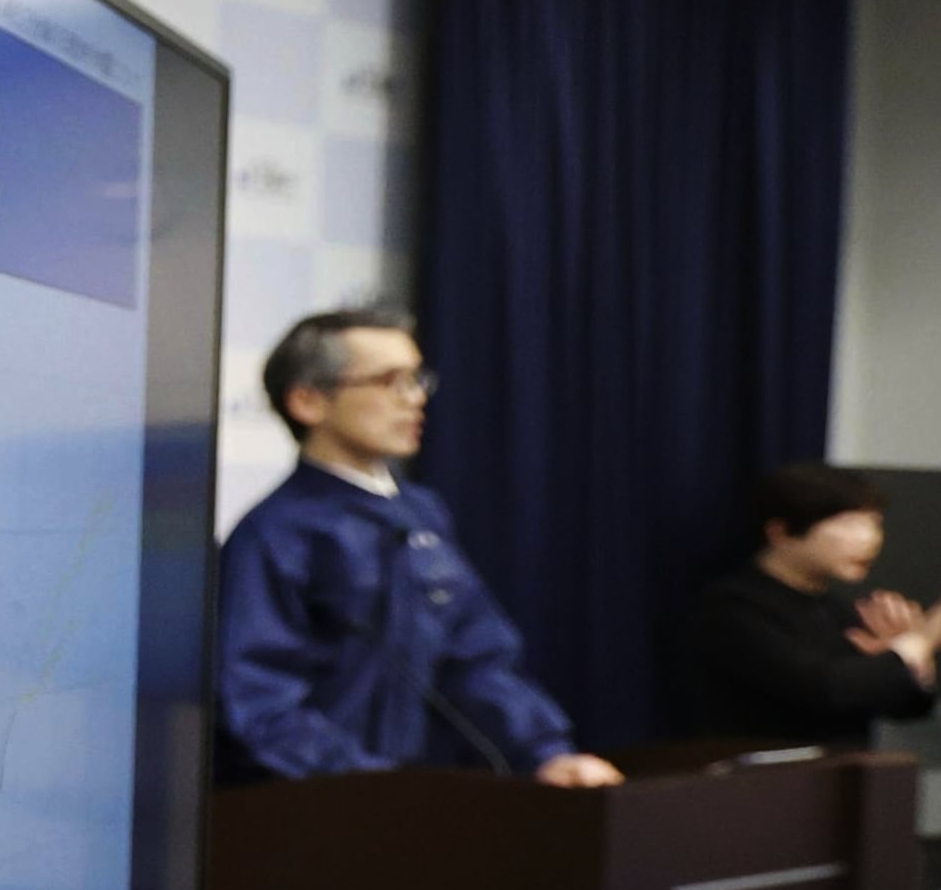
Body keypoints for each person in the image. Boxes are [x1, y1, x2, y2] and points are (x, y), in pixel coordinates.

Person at [218, 309, 619, 786]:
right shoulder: (275, 535)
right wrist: (371, 785)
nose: (414, 400)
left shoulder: (422, 515)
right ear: (308, 401)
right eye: (391, 381)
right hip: (321, 814)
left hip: (420, 808)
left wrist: (545, 753)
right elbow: (258, 703)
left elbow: (476, 655)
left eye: (417, 380)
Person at [681, 462, 941, 749]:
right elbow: (823, 689)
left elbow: (908, 708)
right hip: (762, 781)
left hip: (844, 777)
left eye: (875, 524)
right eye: (849, 524)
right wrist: (915, 644)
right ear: (781, 532)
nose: (871, 540)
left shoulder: (837, 609)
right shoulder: (733, 605)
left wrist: (906, 663)